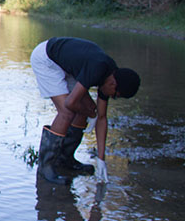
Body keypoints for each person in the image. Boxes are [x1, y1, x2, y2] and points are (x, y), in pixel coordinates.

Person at [30, 36, 140, 185]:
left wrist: (101, 159)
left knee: (88, 108)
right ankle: (46, 168)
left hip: (67, 66)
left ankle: (65, 159)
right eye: (114, 95)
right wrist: (91, 114)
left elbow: (101, 118)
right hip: (47, 59)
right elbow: (70, 103)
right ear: (113, 83)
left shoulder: (109, 78)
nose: (111, 97)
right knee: (67, 112)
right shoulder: (98, 68)